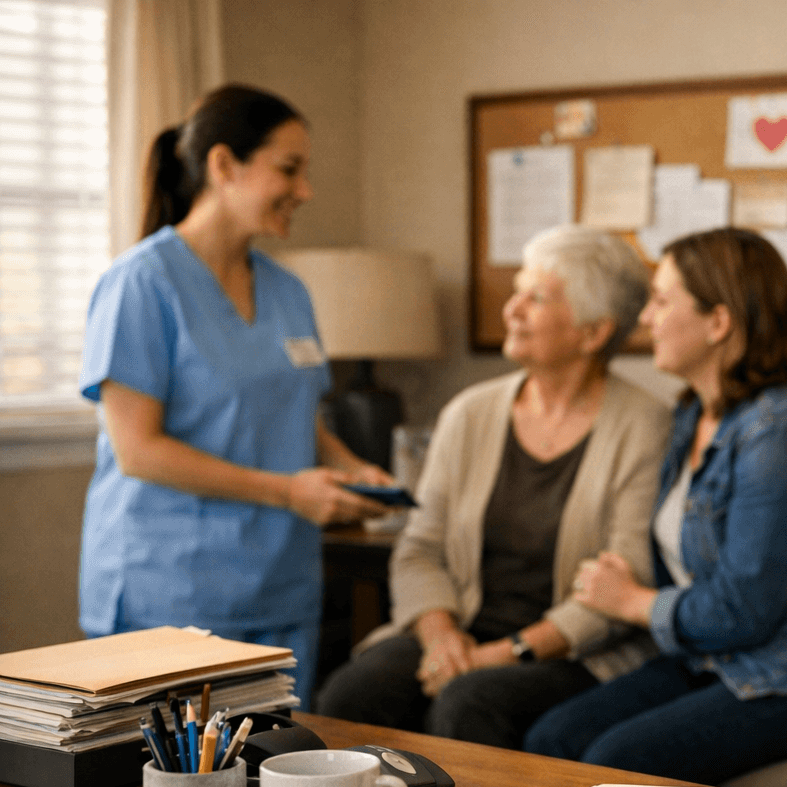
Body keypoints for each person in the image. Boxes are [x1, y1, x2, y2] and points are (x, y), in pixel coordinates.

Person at [523, 227, 787, 784]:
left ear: (718, 322)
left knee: (611, 763)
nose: (645, 318)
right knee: (549, 739)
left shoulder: (782, 430)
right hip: (713, 661)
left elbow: (742, 610)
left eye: (662, 301)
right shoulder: (693, 414)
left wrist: (634, 602)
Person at [78, 85, 391, 709]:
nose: (304, 191)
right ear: (223, 166)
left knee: (270, 783)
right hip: (169, 591)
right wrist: (288, 491)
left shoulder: (288, 292)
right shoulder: (141, 284)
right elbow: (139, 451)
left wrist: (353, 470)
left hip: (279, 587)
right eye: (289, 169)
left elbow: (301, 419)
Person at [316, 226, 671, 743]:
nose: (513, 309)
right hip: (461, 626)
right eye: (517, 291)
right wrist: (443, 641)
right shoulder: (469, 413)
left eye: (537, 298)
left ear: (593, 333)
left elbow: (624, 578)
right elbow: (419, 550)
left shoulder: (645, 424)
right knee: (349, 696)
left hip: (573, 649)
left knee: (470, 704)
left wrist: (500, 655)